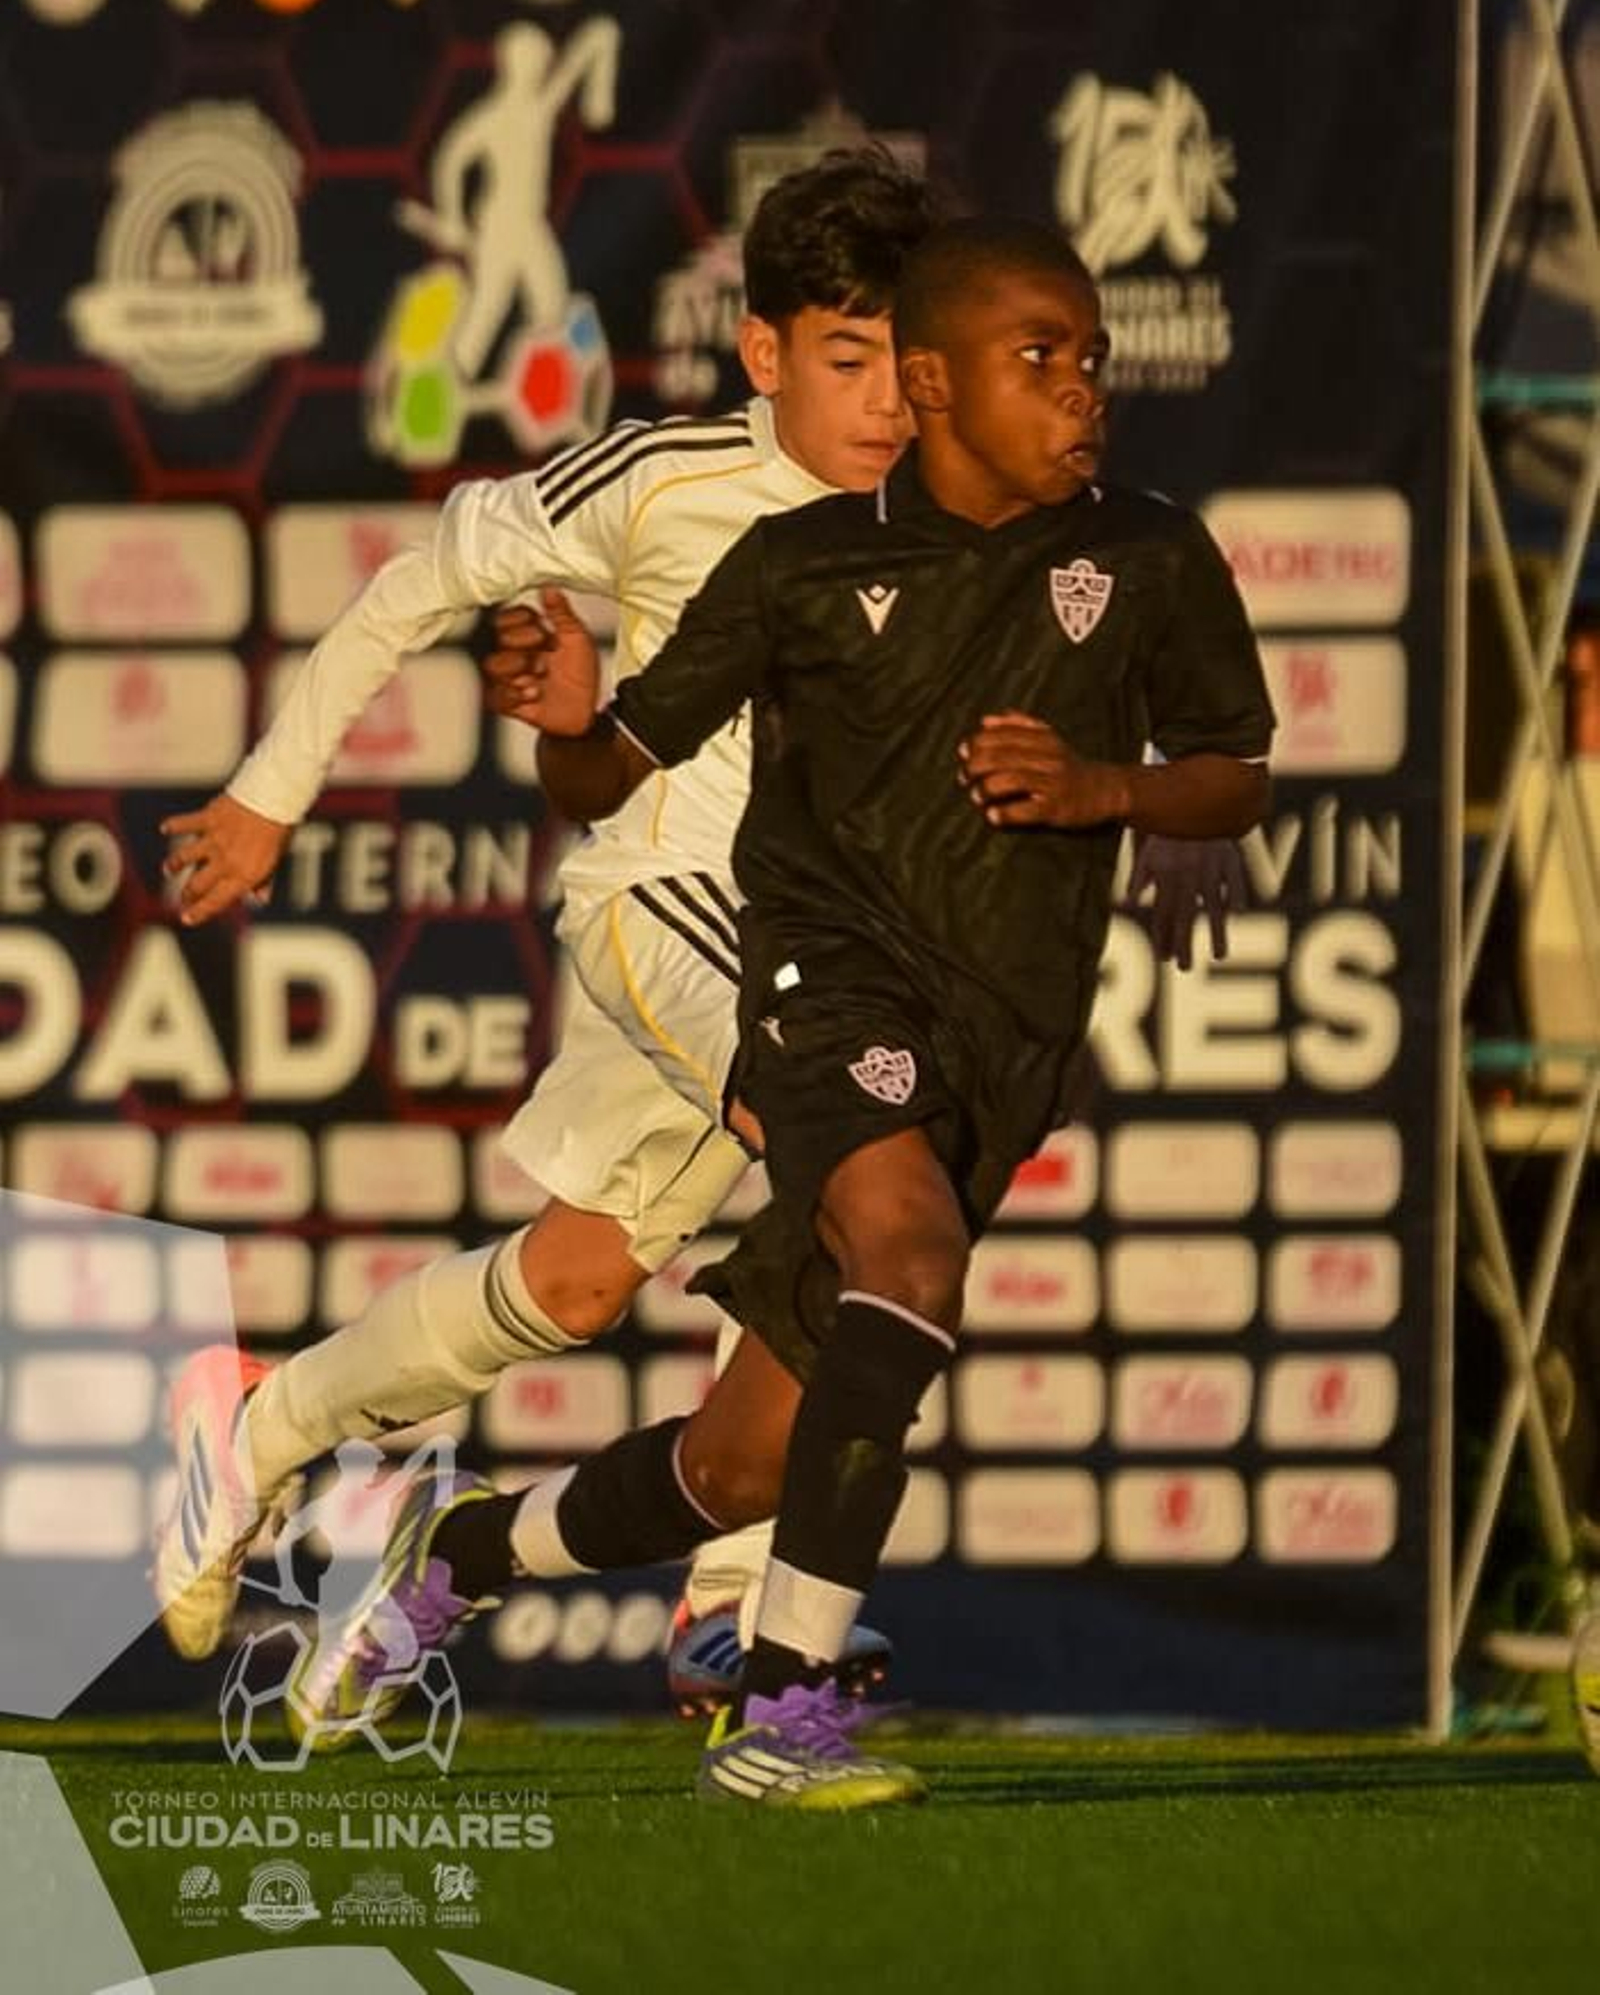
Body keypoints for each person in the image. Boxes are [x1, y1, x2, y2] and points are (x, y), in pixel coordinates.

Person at [307, 216, 1274, 1809]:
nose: (1082, 392)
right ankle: (784, 1714)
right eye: (1040, 360)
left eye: (1092, 360)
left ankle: (453, 1551)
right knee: (910, 1256)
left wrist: (1108, 787)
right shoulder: (804, 565)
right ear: (932, 383)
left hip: (1005, 1040)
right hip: (829, 984)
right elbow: (612, 765)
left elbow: (1234, 767)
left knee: (738, 1462)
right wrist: (563, 722)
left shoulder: (1153, 553)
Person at [154, 147, 940, 1709]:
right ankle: (734, 1600)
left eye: (906, 365)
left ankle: (259, 1431)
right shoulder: (661, 479)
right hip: (669, 907)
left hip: (829, 945)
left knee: (578, 1282)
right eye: (846, 361)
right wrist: (264, 796)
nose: (887, 403)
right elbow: (418, 582)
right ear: (765, 351)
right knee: (858, 1151)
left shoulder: (949, 517)